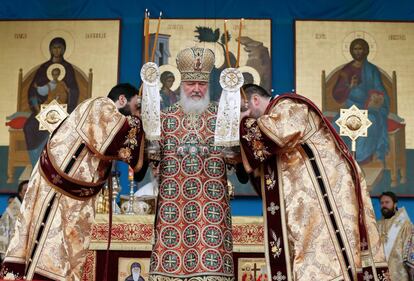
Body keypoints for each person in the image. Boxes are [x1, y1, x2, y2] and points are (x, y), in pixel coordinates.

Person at [238, 84, 389, 280]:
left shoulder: (288, 106)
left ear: (255, 100)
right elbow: (260, 160)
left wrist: (242, 123)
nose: (246, 117)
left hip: (327, 196)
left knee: (329, 257)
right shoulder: (273, 118)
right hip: (308, 204)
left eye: (244, 110)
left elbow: (274, 135)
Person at [0, 83, 145, 281]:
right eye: (137, 106)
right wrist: (144, 124)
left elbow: (128, 156)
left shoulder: (101, 118)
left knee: (65, 259)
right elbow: (122, 136)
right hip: (58, 195)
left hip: (71, 200)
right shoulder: (101, 105)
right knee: (48, 253)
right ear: (121, 100)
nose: (137, 114)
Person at [148, 47, 234, 281]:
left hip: (212, 213)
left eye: (201, 84)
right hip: (172, 213)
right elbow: (150, 160)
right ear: (181, 84)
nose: (196, 89)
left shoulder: (223, 119)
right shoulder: (165, 119)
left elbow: (238, 159)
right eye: (190, 83)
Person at [24, 37, 80, 166]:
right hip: (43, 109)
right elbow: (33, 89)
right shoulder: (43, 68)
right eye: (54, 47)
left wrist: (67, 99)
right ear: (50, 49)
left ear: (64, 49)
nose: (57, 50)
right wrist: (37, 109)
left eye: (59, 47)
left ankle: (58, 164)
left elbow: (74, 90)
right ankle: (35, 162)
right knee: (29, 127)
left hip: (63, 109)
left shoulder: (68, 68)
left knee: (63, 128)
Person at [332, 38, 389, 164]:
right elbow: (337, 94)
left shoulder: (372, 70)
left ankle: (360, 159)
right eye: (355, 49)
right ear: (351, 51)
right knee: (336, 123)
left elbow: (380, 91)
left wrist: (376, 100)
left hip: (369, 109)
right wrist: (350, 87)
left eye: (360, 48)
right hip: (350, 108)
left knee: (370, 122)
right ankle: (341, 158)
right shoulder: (346, 70)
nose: (358, 52)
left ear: (366, 51)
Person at [377, 191, 413, 281]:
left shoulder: (405, 225)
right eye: (382, 203)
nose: (384, 205)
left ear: (395, 204)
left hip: (399, 274)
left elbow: (410, 253)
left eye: (387, 202)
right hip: (380, 274)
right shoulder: (376, 226)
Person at [0, 181, 29, 262]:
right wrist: (4, 256)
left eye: (30, 189)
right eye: (25, 190)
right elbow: (3, 232)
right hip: (14, 254)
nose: (28, 192)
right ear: (20, 193)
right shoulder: (10, 212)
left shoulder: (39, 208)